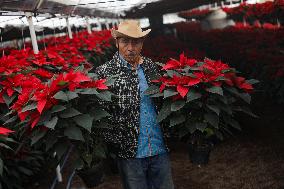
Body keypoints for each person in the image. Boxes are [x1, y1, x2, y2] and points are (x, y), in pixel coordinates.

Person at [95, 20, 174, 189]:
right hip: (130, 154)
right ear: (117, 43)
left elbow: (163, 102)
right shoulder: (105, 72)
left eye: (136, 42)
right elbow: (101, 115)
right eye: (125, 42)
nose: (130, 47)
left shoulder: (151, 67)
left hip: (158, 147)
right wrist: (117, 143)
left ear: (142, 44)